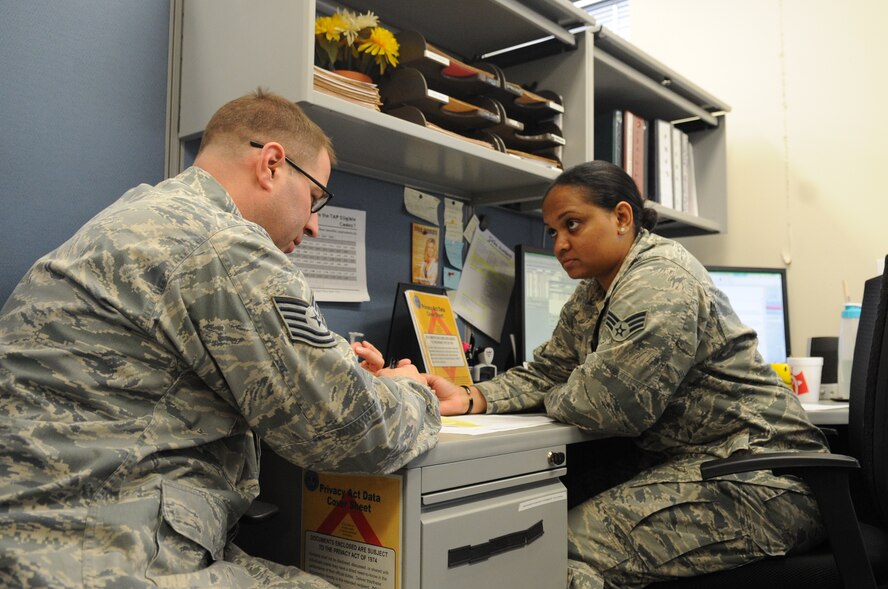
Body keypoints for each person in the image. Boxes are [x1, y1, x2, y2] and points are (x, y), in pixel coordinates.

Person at [0, 89, 440, 588]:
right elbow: (350, 431)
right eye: (316, 198)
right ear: (272, 164)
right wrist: (412, 390)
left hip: (47, 543)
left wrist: (340, 368)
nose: (316, 225)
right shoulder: (220, 242)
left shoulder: (145, 215)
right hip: (103, 559)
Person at [427, 160, 828, 588]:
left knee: (551, 547)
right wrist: (472, 397)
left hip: (766, 480)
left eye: (572, 225)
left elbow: (611, 407)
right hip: (700, 465)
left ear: (621, 217)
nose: (560, 244)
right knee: (530, 518)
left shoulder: (659, 281)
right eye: (553, 231)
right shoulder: (596, 290)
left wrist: (570, 387)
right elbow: (550, 370)